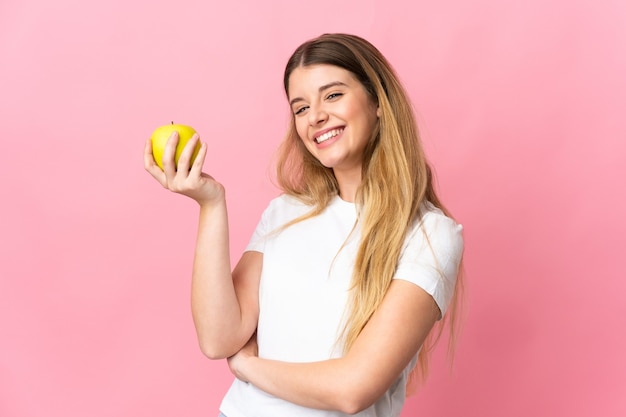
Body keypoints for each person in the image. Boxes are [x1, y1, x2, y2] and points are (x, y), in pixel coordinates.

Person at [144, 33, 464, 417]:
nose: (315, 116)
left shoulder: (430, 235)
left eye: (332, 95)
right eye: (300, 108)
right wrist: (211, 204)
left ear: (378, 101)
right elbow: (218, 338)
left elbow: (352, 390)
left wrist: (248, 367)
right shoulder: (284, 212)